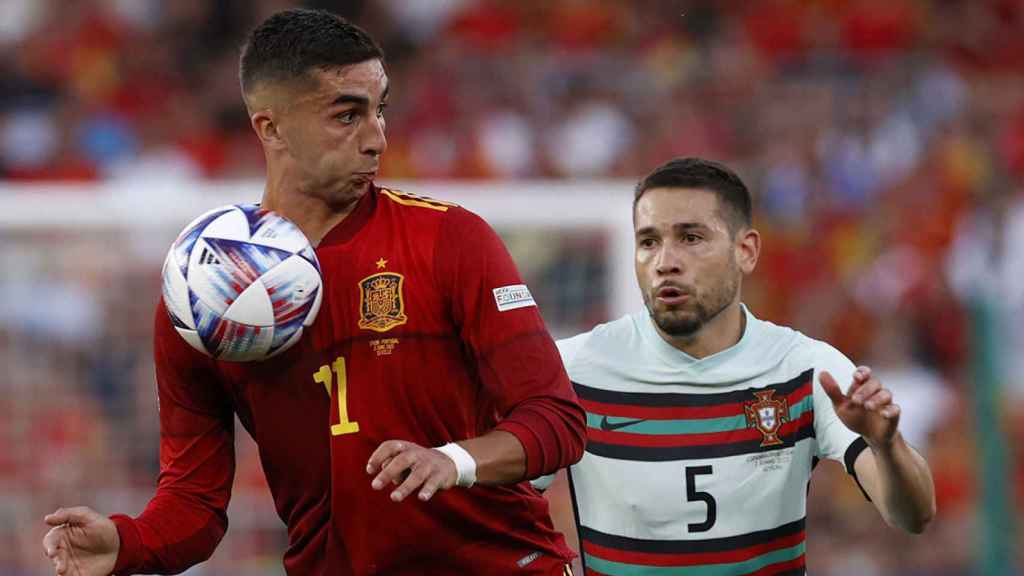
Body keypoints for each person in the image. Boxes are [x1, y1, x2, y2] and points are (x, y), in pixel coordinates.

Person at [42, 9, 586, 576]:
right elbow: (195, 505)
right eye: (347, 114)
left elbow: (556, 420)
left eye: (380, 110)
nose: (376, 138)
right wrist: (126, 543)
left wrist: (453, 461)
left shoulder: (449, 240)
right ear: (270, 128)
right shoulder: (205, 298)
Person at [535, 157, 936, 574]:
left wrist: (887, 447)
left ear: (745, 251)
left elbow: (913, 516)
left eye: (690, 238)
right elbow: (497, 504)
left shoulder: (805, 369)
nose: (665, 261)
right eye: (649, 241)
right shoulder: (573, 371)